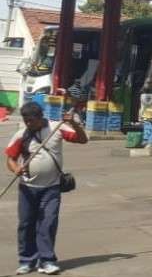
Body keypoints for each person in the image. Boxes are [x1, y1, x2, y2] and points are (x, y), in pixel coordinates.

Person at [5, 102, 88, 275]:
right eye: (26, 121)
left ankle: (47, 261)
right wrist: (15, 169)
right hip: (27, 188)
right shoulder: (22, 134)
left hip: (51, 187)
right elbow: (11, 159)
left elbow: (82, 139)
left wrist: (73, 123)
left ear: (41, 117)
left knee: (48, 223)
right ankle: (27, 260)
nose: (29, 124)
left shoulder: (57, 128)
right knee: (26, 224)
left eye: (32, 121)